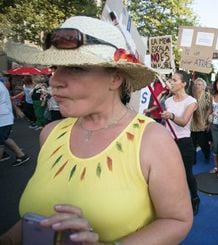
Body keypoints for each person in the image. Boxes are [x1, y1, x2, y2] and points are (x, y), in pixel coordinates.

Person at [1, 16, 192, 244]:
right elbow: (35, 219)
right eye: (55, 68)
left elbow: (177, 220)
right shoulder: (50, 133)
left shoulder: (152, 140)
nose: (55, 80)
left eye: (75, 68)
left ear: (115, 78)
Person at [160, 70, 200, 215]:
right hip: (168, 142)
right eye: (171, 80)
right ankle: (172, 200)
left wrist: (170, 115)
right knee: (169, 173)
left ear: (184, 83)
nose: (171, 82)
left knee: (187, 174)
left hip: (184, 142)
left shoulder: (191, 101)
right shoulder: (168, 100)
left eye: (175, 80)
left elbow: (183, 122)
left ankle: (194, 198)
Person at [0, 82, 30, 166]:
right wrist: (17, 110)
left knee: (1, 141)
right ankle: (21, 155)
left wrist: (17, 110)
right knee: (5, 138)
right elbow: (9, 98)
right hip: (5, 118)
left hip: (3, 119)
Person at [190, 77, 211, 164]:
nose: (197, 86)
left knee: (203, 144)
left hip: (203, 124)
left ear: (203, 87)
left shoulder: (207, 96)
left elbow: (210, 109)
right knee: (192, 144)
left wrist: (208, 122)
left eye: (199, 84)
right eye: (196, 84)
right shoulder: (191, 96)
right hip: (192, 124)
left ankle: (207, 155)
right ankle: (193, 160)